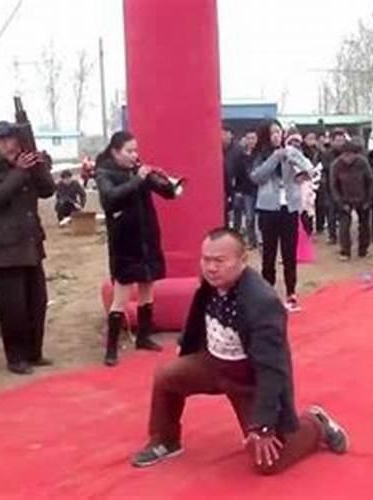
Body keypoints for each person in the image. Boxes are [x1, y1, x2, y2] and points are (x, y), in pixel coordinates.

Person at [131, 228, 348, 471]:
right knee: (167, 376)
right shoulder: (211, 281)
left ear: (242, 261)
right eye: (206, 259)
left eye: (220, 261)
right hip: (212, 364)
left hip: (249, 378)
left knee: (268, 462)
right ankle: (165, 439)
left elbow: (272, 370)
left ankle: (316, 424)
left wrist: (264, 425)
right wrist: (185, 340)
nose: (211, 267)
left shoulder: (263, 302)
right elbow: (198, 312)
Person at [0, 121, 56, 374]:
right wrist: (18, 172)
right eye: (3, 141)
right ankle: (16, 357)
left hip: (29, 244)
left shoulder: (23, 164)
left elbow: (47, 190)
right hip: (3, 248)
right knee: (12, 307)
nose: (9, 146)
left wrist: (37, 167)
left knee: (37, 302)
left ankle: (34, 352)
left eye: (13, 141)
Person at [95, 131, 178, 366]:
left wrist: (169, 185)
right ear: (115, 151)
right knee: (121, 294)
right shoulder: (104, 173)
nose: (134, 155)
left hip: (147, 237)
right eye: (129, 151)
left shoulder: (138, 170)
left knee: (147, 287)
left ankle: (144, 336)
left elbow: (166, 193)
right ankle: (111, 347)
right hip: (125, 241)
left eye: (135, 151)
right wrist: (138, 179)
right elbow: (110, 199)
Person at [250, 120, 313, 312]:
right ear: (266, 136)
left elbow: (308, 169)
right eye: (273, 133)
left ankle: (291, 295)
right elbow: (257, 177)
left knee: (289, 254)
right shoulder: (260, 155)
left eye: (279, 131)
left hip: (290, 209)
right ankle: (268, 297)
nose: (277, 136)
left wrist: (294, 158)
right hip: (268, 209)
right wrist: (275, 158)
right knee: (269, 255)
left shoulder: (291, 152)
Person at [330, 141, 373, 260]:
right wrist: (340, 202)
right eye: (345, 155)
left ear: (356, 154)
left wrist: (368, 200)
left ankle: (363, 250)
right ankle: (345, 251)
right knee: (344, 226)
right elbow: (333, 186)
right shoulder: (336, 165)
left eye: (351, 155)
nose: (348, 158)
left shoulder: (362, 162)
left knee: (365, 225)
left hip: (362, 197)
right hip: (344, 199)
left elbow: (370, 181)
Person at [231, 129, 259, 249]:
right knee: (249, 217)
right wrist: (237, 190)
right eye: (249, 138)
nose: (251, 141)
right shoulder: (240, 155)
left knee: (259, 217)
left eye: (253, 138)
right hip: (246, 190)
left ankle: (259, 239)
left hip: (260, 189)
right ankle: (251, 241)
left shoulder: (260, 154)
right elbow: (237, 174)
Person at [318, 129, 346, 245]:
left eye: (342, 140)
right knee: (331, 211)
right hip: (330, 185)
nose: (340, 143)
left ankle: (344, 236)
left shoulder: (347, 152)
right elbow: (326, 167)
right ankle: (332, 235)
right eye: (338, 140)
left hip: (345, 186)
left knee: (344, 212)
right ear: (332, 141)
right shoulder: (327, 154)